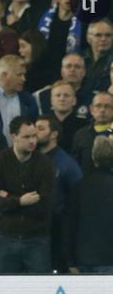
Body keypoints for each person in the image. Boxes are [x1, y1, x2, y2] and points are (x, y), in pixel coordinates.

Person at [0, 116, 55, 274]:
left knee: (38, 290)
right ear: (13, 136)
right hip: (6, 237)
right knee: (5, 290)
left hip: (37, 238)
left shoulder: (44, 164)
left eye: (34, 136)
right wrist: (20, 201)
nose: (32, 141)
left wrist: (7, 196)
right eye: (27, 137)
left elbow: (45, 205)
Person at [35, 115, 82, 273]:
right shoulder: (29, 158)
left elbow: (76, 200)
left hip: (57, 232)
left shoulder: (67, 164)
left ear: (53, 134)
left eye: (41, 128)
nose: (35, 132)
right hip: (32, 230)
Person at [68, 136, 113, 274]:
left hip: (83, 259)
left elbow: (70, 224)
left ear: (93, 157)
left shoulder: (79, 186)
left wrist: (70, 261)